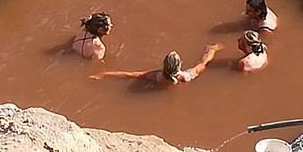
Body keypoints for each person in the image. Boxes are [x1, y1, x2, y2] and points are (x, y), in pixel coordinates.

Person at [90, 44, 223, 84]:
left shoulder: (155, 76)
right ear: (179, 65)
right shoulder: (187, 76)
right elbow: (204, 63)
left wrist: (104, 73)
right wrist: (212, 50)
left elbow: (129, 74)